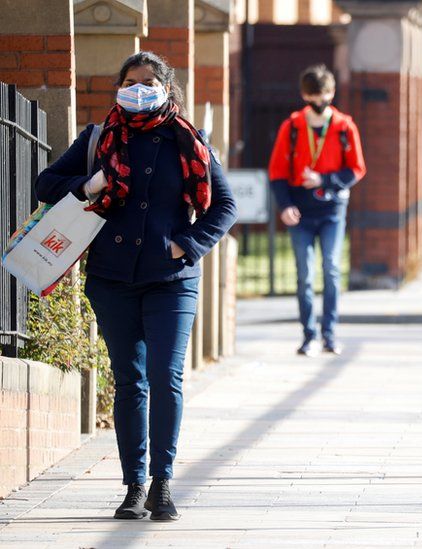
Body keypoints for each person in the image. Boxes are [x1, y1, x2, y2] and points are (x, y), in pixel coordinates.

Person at [35, 51, 238, 521]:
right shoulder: (98, 137)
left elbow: (223, 207)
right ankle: (133, 486)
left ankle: (162, 484)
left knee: (166, 378)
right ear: (119, 86)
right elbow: (47, 183)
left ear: (167, 89)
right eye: (131, 81)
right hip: (112, 278)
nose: (140, 88)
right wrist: (90, 183)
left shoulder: (190, 140)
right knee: (130, 383)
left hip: (172, 280)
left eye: (149, 82)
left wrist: (185, 244)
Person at [267, 64, 366, 356]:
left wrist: (324, 179)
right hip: (300, 209)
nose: (318, 103)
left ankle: (330, 334)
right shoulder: (293, 127)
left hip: (332, 208)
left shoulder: (344, 126)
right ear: (303, 95)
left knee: (332, 270)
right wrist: (284, 206)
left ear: (332, 93)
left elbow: (357, 168)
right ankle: (309, 335)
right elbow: (276, 172)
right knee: (305, 274)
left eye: (323, 96)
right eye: (313, 97)